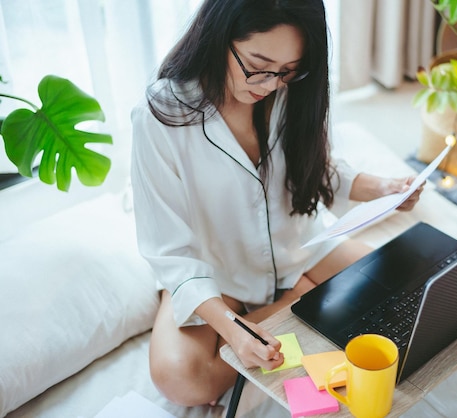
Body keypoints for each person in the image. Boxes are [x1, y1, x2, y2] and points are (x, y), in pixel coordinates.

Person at [130, 0, 424, 408]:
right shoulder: (160, 115)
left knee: (410, 293)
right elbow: (168, 250)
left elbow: (312, 167)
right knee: (183, 381)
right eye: (257, 64)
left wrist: (384, 188)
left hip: (299, 247)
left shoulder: (290, 90)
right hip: (216, 270)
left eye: (286, 70)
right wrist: (233, 331)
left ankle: (297, 301)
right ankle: (301, 303)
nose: (269, 84)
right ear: (219, 35)